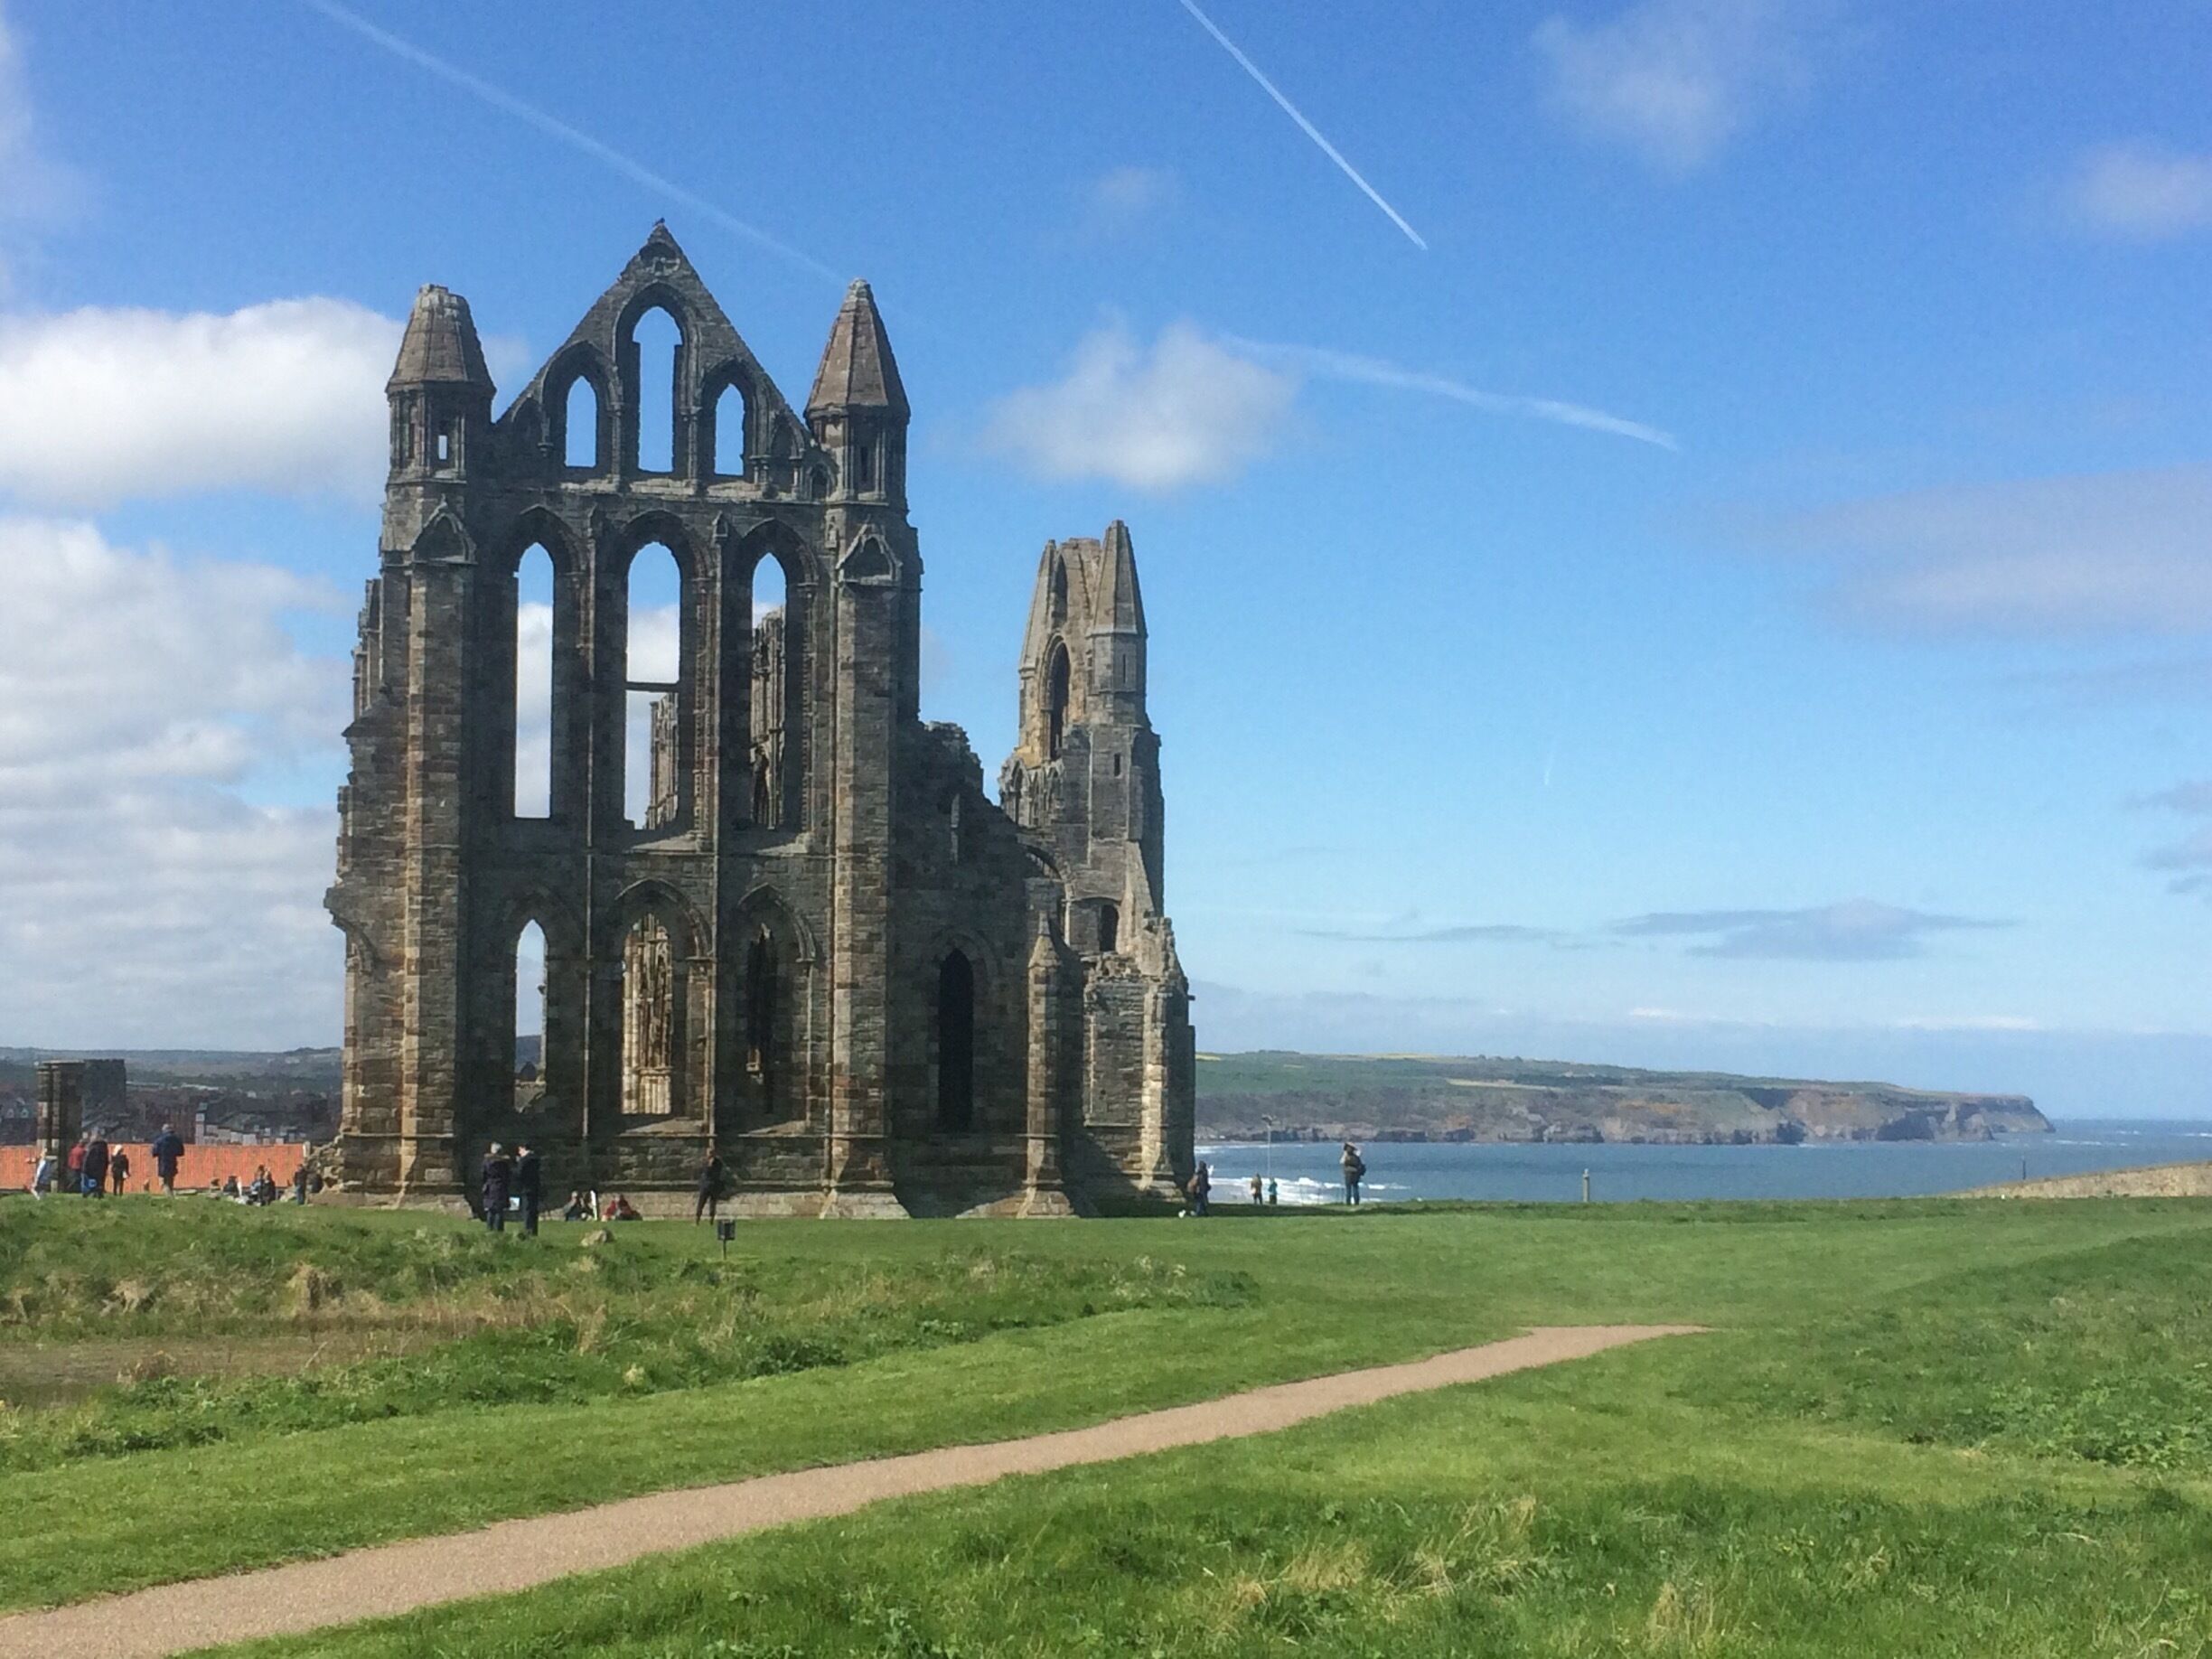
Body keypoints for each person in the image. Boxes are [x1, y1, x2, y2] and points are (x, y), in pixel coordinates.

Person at [480, 1142, 513, 1233]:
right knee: (499, 1210)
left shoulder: (487, 1161)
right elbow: (508, 1175)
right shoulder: (504, 1163)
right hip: (501, 1186)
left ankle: (489, 1229)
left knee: (490, 1209)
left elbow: (483, 1174)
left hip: (490, 1186)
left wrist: (485, 1183)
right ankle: (499, 1230)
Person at [512, 1143, 542, 1236]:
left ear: (524, 1148)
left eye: (520, 1150)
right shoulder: (536, 1159)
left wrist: (517, 1164)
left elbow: (519, 1173)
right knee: (533, 1211)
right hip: (535, 1187)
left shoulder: (524, 1160)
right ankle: (534, 1231)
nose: (519, 1152)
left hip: (526, 1188)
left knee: (527, 1210)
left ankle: (528, 1231)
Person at [150, 1123, 185, 1195]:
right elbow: (181, 1152)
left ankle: (168, 1195)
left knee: (163, 1182)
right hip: (172, 1163)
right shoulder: (177, 1140)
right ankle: (170, 1193)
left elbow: (154, 1152)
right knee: (170, 1181)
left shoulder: (159, 1140)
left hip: (162, 1163)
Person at [693, 1146, 725, 1223]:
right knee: (701, 1202)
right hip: (706, 1185)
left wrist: (711, 1164)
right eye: (709, 1153)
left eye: (711, 1153)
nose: (709, 1154)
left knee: (712, 1203)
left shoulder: (717, 1162)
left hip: (712, 1185)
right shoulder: (705, 1161)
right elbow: (701, 1171)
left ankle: (711, 1219)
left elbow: (716, 1172)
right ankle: (698, 1219)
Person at [81, 1131, 110, 1198]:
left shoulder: (92, 1147)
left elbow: (87, 1158)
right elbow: (106, 1159)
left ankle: (89, 1193)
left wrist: (84, 1168)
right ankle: (99, 1193)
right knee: (99, 1182)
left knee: (90, 1182)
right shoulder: (104, 1147)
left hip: (91, 1168)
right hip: (101, 1168)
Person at [1341, 1141, 1366, 1206]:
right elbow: (1360, 1165)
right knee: (1355, 1188)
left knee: (1348, 1189)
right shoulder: (1356, 1157)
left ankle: (1348, 1202)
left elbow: (1341, 1162)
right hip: (1355, 1174)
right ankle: (1356, 1202)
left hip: (1348, 1174)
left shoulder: (1346, 1157)